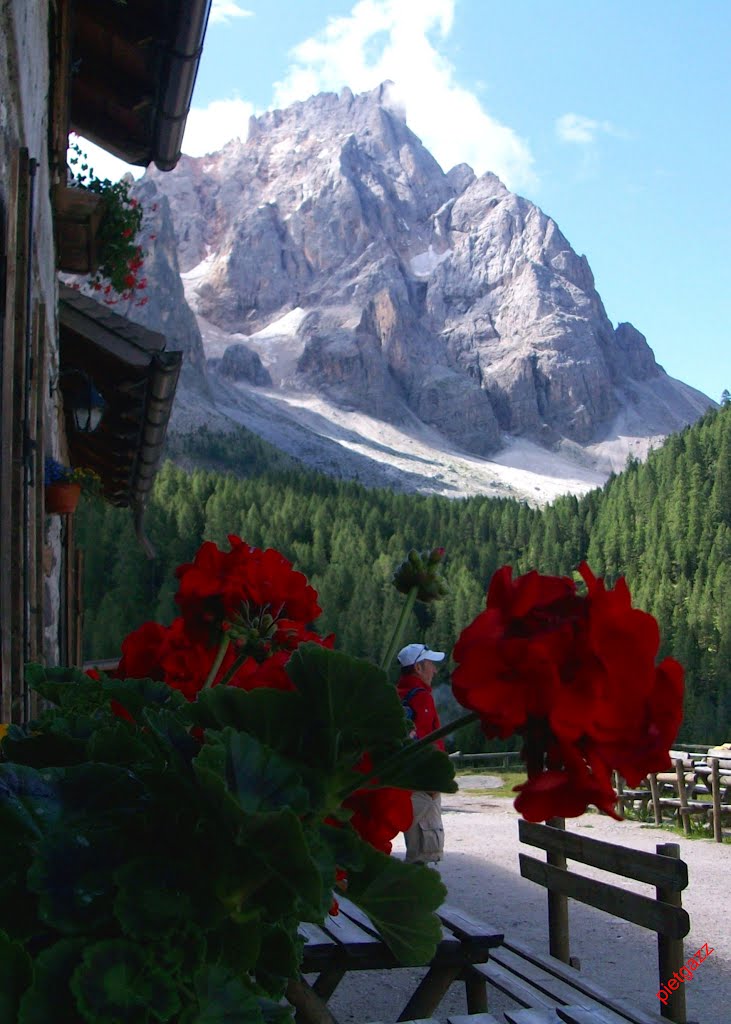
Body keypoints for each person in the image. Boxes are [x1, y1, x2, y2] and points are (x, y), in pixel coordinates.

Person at [396, 643, 447, 865]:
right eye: (430, 665)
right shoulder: (421, 698)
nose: (434, 670)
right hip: (422, 787)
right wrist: (433, 784)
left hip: (403, 780)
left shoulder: (398, 694)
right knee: (424, 851)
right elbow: (426, 745)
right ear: (418, 667)